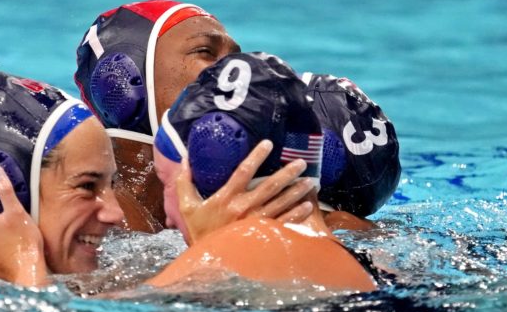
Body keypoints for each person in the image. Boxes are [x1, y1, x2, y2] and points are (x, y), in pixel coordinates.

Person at [75, 0, 400, 232]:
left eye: (235, 59)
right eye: (206, 52)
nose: (233, 72)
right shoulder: (99, 221)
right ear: (122, 84)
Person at [147, 52, 396, 291]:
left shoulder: (237, 248)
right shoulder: (370, 265)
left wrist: (209, 248)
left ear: (210, 174)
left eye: (166, 182)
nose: (168, 218)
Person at [0, 69, 124, 286]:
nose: (116, 214)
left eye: (112, 183)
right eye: (87, 186)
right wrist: (23, 260)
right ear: (0, 191)